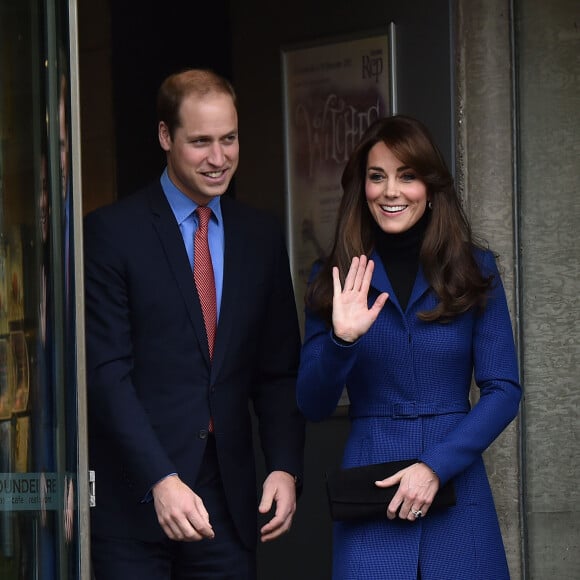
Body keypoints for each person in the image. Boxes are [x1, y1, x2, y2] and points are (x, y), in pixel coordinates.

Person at [84, 68, 305, 579]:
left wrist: (285, 466)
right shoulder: (112, 233)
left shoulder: (260, 236)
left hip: (227, 507)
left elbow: (278, 370)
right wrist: (160, 478)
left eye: (229, 140)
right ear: (165, 137)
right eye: (200, 142)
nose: (219, 157)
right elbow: (106, 373)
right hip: (134, 505)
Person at [296, 114, 521, 579]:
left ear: (431, 187)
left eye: (407, 176)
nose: (390, 191)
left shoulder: (474, 269)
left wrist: (436, 466)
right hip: (371, 488)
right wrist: (342, 340)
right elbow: (312, 404)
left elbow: (504, 389)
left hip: (457, 487)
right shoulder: (333, 275)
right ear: (362, 187)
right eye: (377, 177)